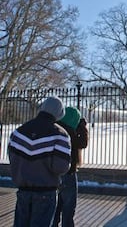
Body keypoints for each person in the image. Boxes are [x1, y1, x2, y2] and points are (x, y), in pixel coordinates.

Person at [8, 96, 71, 227]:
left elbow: (13, 159)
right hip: (46, 191)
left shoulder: (18, 132)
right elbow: (61, 167)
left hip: (23, 191)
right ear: (59, 113)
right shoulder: (60, 134)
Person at [53, 107, 88, 227]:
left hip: (54, 172)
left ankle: (53, 223)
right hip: (68, 172)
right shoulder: (69, 133)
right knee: (69, 204)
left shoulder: (54, 128)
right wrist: (82, 126)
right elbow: (83, 143)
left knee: (57, 203)